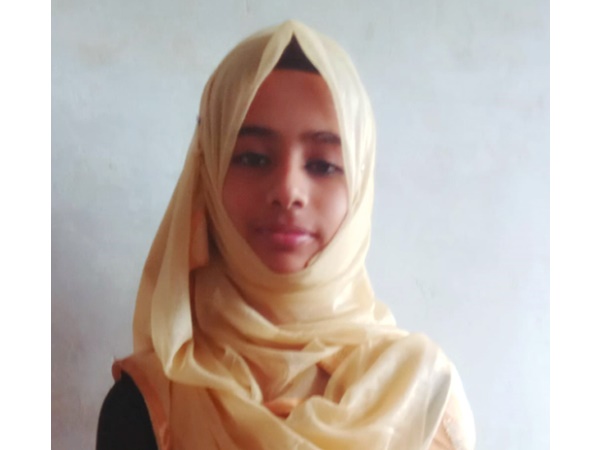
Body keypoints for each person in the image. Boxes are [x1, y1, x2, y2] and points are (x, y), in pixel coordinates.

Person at [97, 20, 476, 450]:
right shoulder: (148, 404)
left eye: (323, 165)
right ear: (208, 174)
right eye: (253, 158)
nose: (287, 190)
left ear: (360, 184)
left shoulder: (420, 398)